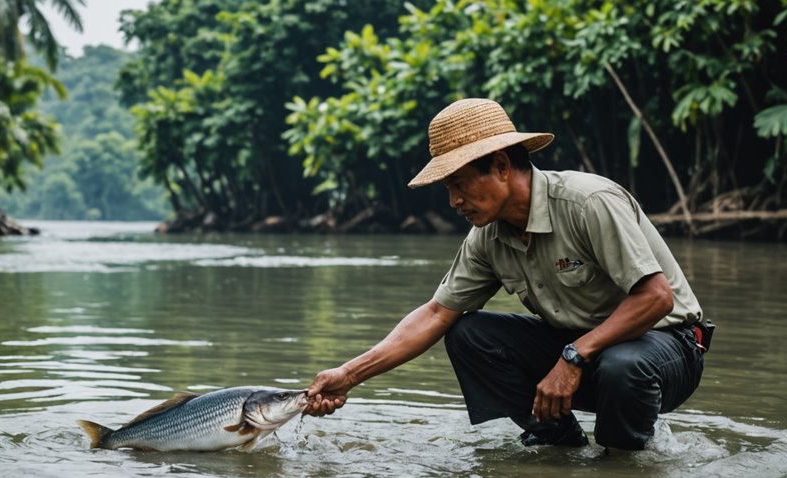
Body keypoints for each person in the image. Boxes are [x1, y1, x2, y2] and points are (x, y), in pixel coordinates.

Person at [304, 98, 710, 450]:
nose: (453, 201)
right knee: (468, 334)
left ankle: (624, 467)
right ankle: (556, 443)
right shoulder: (487, 236)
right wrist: (349, 374)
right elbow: (434, 315)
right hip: (583, 355)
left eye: (459, 184)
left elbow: (657, 298)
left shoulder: (588, 202)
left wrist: (572, 357)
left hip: (665, 348)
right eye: (448, 188)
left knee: (623, 366)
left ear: (500, 166)